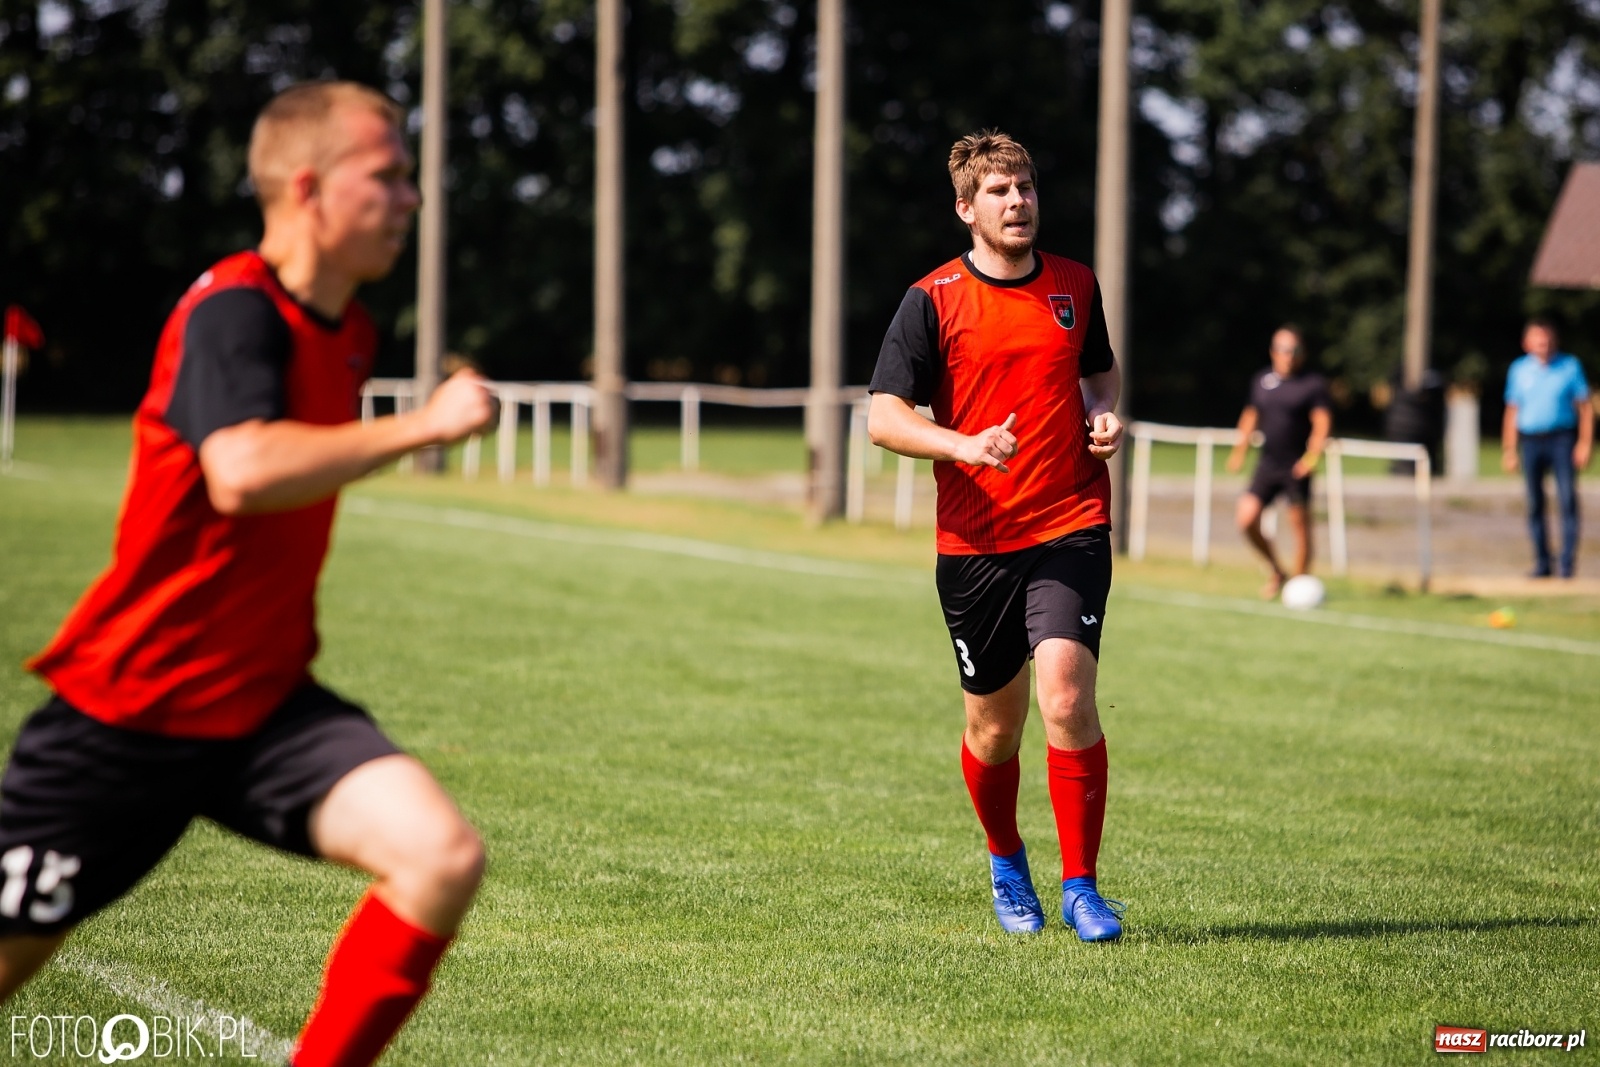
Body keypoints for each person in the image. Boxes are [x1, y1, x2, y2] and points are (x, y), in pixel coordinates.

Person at [0, 82, 496, 1067]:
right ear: (308, 188)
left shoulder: (347, 330)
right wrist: (427, 424)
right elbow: (242, 470)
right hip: (129, 711)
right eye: (387, 176)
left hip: (262, 703)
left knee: (439, 854)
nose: (410, 198)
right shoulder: (236, 309)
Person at [867, 130, 1126, 941]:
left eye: (1025, 187)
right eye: (999, 192)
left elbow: (1099, 371)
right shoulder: (932, 298)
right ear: (965, 209)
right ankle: (1006, 857)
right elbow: (882, 418)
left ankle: (1082, 884)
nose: (1018, 202)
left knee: (1067, 695)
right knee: (993, 726)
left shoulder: (1075, 285)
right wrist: (962, 444)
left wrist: (1104, 414)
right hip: (975, 543)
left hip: (1070, 524)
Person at [1226, 326, 1332, 599]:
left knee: (1299, 526)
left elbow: (1322, 423)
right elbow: (1251, 416)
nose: (1290, 356)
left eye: (1295, 351)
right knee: (1246, 518)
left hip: (1296, 466)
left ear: (1302, 353)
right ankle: (1276, 569)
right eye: (1284, 350)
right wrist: (1240, 450)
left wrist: (1311, 458)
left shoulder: (1312, 384)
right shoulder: (1262, 381)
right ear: (1274, 352)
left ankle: (1300, 585)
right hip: (1268, 464)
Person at [1501, 318, 1594, 578]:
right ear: (1527, 343)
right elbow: (1512, 411)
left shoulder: (1569, 366)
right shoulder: (1519, 370)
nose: (1543, 345)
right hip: (1530, 441)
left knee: (1567, 499)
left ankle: (1566, 563)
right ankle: (1542, 562)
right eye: (1538, 340)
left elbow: (1585, 408)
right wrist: (1509, 449)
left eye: (1547, 340)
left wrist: (1585, 443)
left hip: (1562, 439)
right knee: (1534, 503)